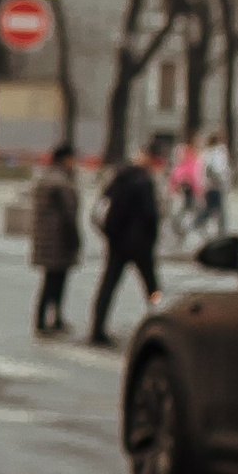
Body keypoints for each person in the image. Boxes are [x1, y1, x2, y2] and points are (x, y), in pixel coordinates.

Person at [89, 148, 162, 347]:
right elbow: (150, 214)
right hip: (140, 243)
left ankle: (96, 328)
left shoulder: (118, 179)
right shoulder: (144, 182)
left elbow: (102, 207)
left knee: (108, 285)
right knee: (151, 285)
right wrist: (153, 237)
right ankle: (159, 319)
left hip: (117, 242)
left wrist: (110, 234)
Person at [28, 139, 81, 334]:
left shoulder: (46, 177)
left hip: (46, 238)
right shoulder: (62, 182)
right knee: (55, 281)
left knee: (50, 280)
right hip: (60, 238)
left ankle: (46, 319)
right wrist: (75, 239)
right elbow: (69, 213)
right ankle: (49, 319)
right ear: (66, 159)